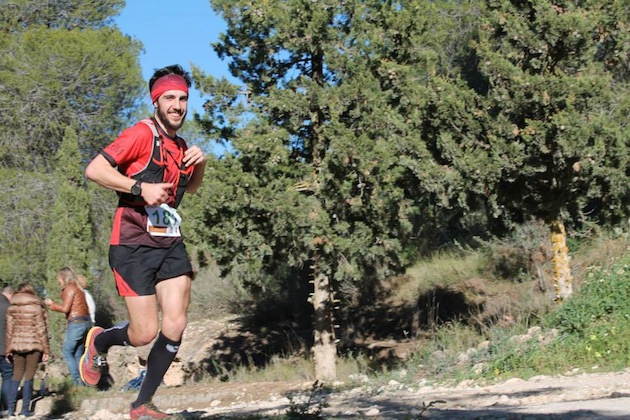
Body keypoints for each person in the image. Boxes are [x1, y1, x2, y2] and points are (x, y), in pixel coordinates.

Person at [83, 64, 206, 419]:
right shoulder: (141, 134)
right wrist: (139, 188)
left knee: (176, 323)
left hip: (168, 242)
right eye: (170, 97)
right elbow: (95, 169)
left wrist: (199, 164)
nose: (178, 105)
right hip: (132, 242)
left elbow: (192, 188)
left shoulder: (180, 145)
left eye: (183, 98)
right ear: (156, 101)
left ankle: (142, 404)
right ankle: (101, 340)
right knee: (143, 333)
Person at [6, 282, 50, 417]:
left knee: (16, 376)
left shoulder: (12, 307)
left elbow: (9, 330)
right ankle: (25, 410)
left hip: (17, 345)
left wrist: (8, 348)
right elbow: (41, 329)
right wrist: (46, 349)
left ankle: (11, 410)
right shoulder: (37, 307)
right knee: (29, 377)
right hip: (34, 344)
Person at [44, 267, 91, 386]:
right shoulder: (79, 288)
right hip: (84, 322)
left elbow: (65, 308)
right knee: (77, 354)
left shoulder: (69, 288)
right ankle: (83, 382)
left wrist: (51, 304)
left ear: (63, 277)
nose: (57, 280)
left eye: (58, 277)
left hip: (76, 324)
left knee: (67, 352)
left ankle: (77, 382)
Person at [0, 284, 14, 415]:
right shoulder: (8, 308)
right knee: (7, 376)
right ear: (10, 295)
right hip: (3, 348)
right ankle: (5, 408)